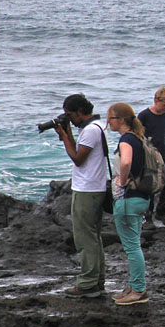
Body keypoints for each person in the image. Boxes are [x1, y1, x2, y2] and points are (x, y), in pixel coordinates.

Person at [53, 94, 110, 298]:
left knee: (84, 237)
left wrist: (65, 138)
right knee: (94, 236)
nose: (70, 119)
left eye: (70, 115)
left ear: (79, 111)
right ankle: (97, 280)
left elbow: (78, 158)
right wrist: (67, 133)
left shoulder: (89, 131)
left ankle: (87, 284)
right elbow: (82, 151)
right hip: (96, 187)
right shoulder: (98, 126)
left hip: (87, 189)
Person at [106, 103, 152, 305]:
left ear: (122, 120)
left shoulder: (126, 140)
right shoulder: (137, 138)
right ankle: (134, 286)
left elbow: (126, 162)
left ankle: (139, 290)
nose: (108, 121)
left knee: (132, 247)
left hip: (128, 199)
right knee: (134, 245)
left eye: (111, 118)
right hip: (141, 197)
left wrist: (122, 182)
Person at [137, 87, 165, 227]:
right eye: (164, 104)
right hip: (149, 154)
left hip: (163, 152)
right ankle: (147, 214)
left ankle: (162, 212)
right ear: (156, 100)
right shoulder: (144, 115)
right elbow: (137, 134)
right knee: (150, 183)